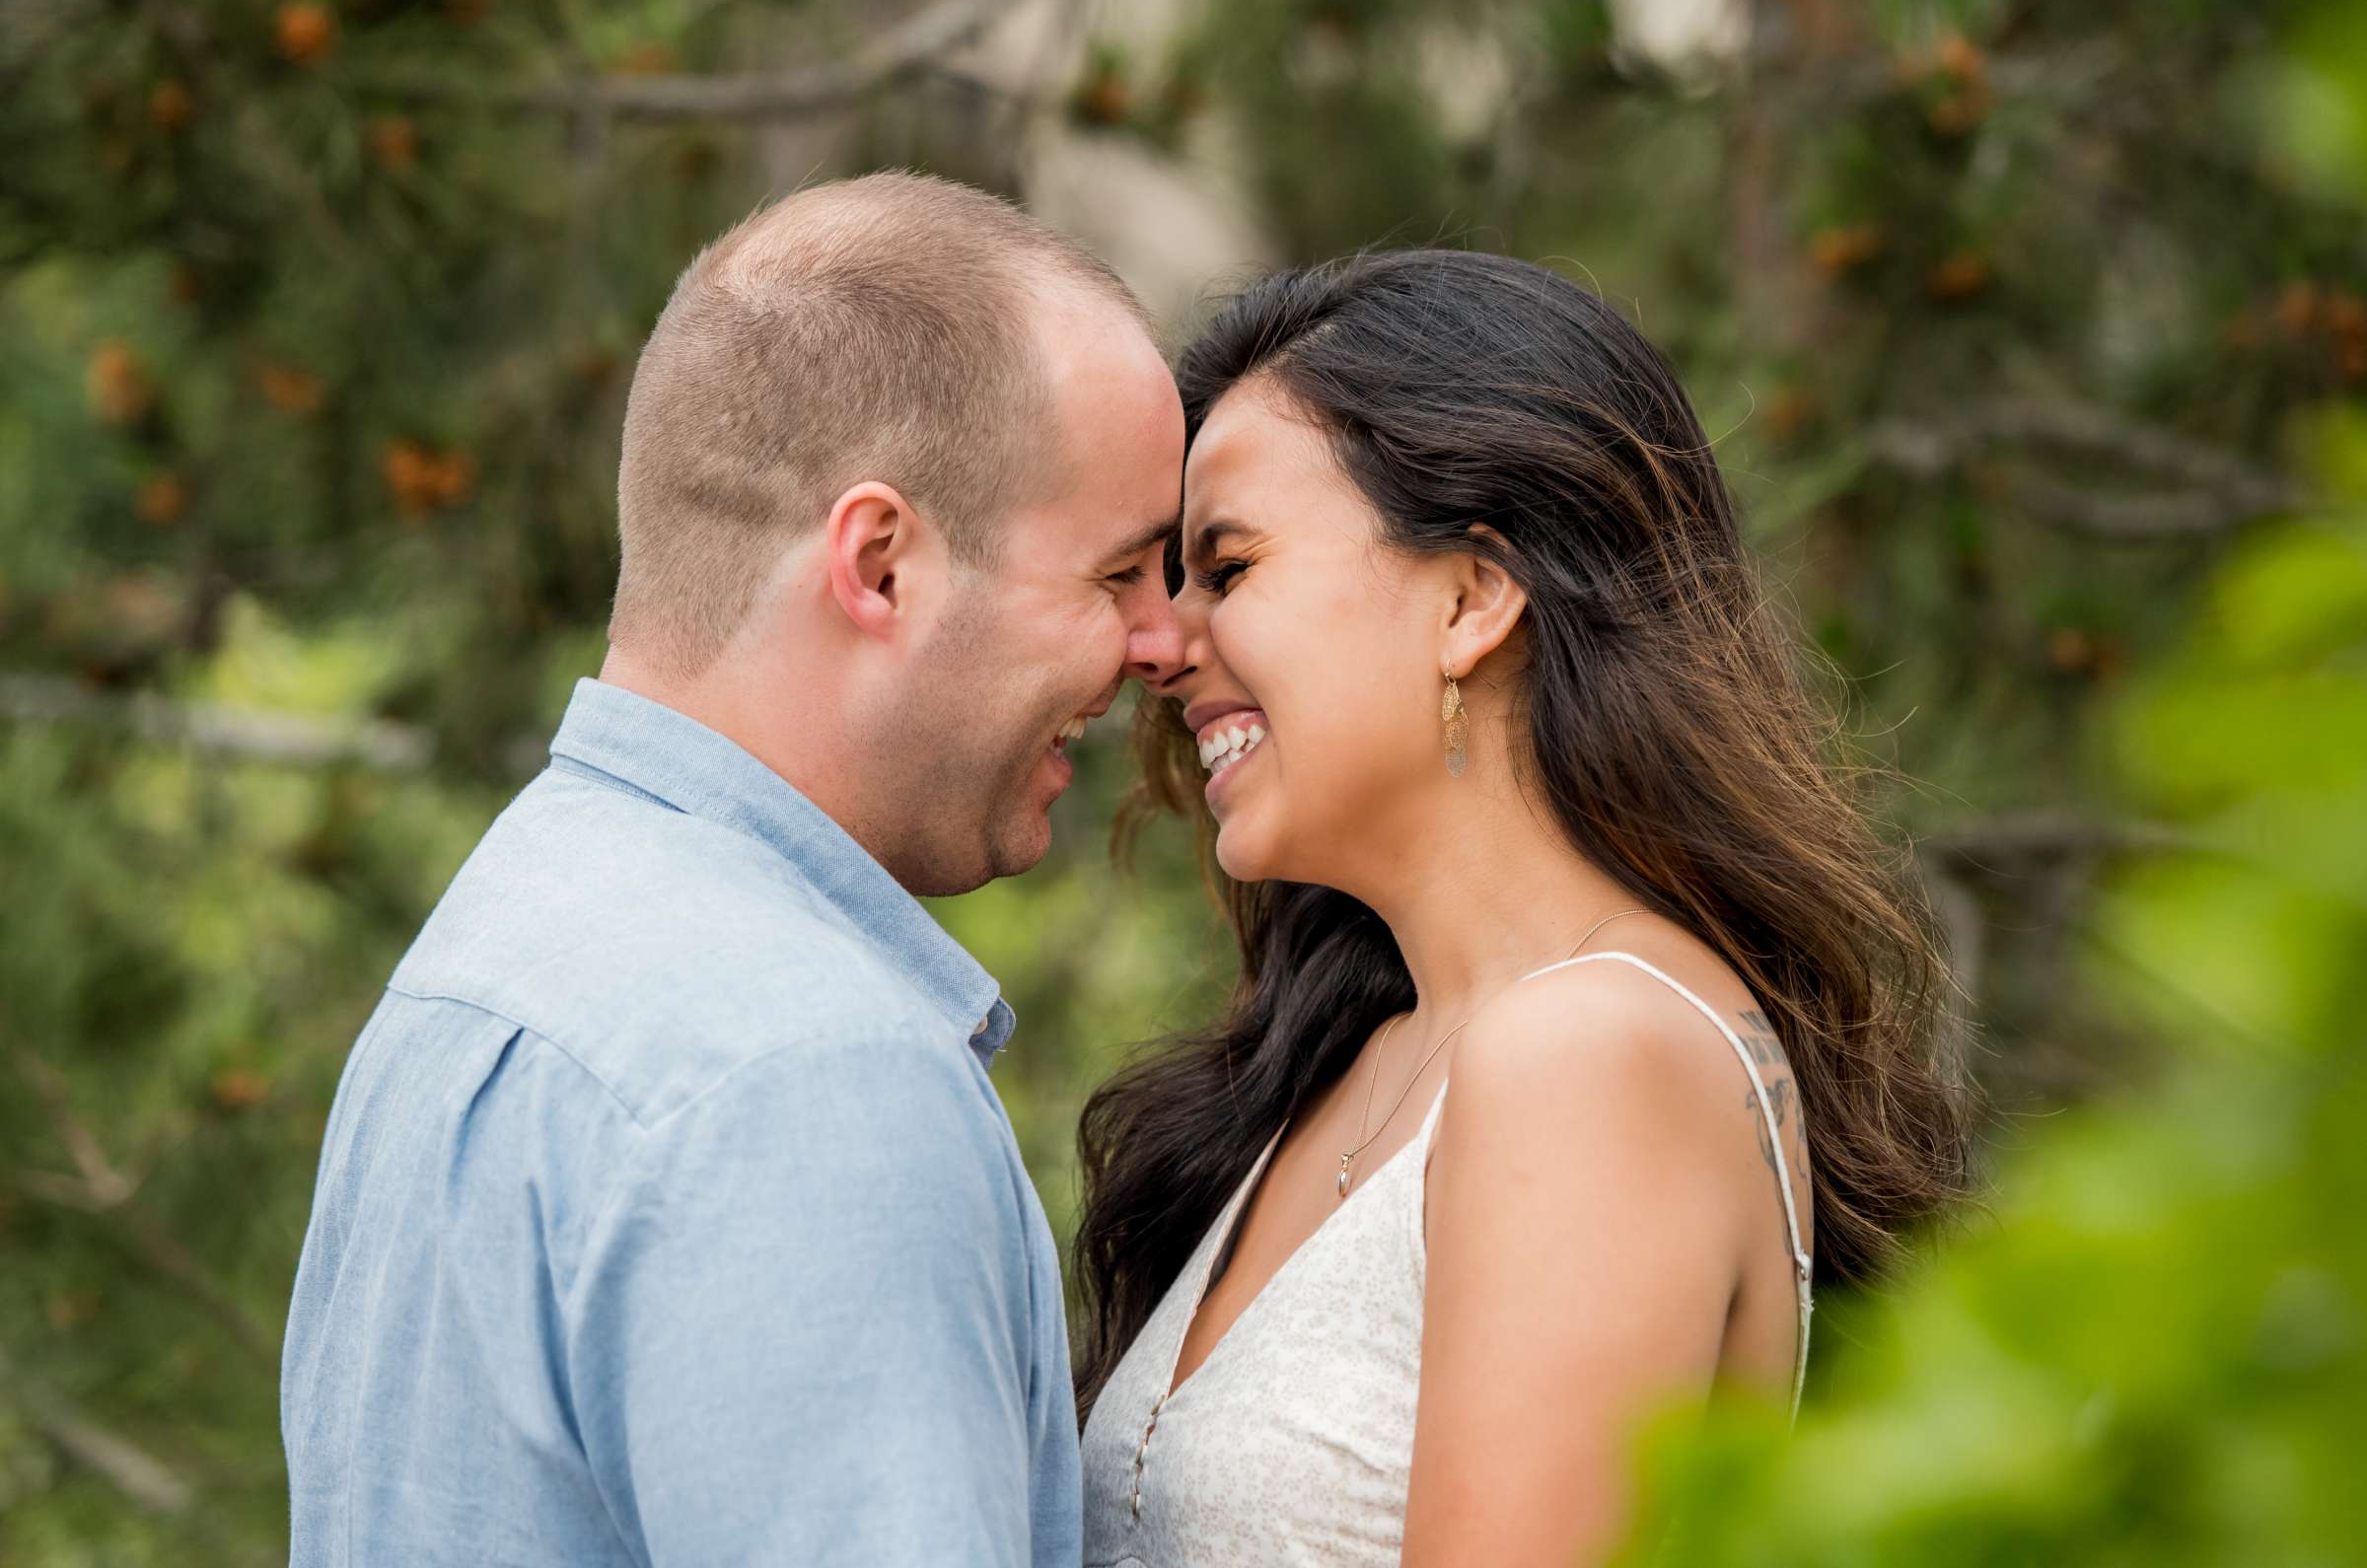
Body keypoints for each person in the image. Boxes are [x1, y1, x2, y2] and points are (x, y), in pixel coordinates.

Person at [280, 171, 1186, 1567]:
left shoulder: (491, 959)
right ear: (880, 563)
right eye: (1121, 573)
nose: (1160, 643)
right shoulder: (811, 1077)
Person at [1074, 249, 1976, 1568]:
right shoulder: (1346, 1055)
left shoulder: (1597, 1050)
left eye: (1230, 566)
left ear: (1471, 595)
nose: (1164, 644)